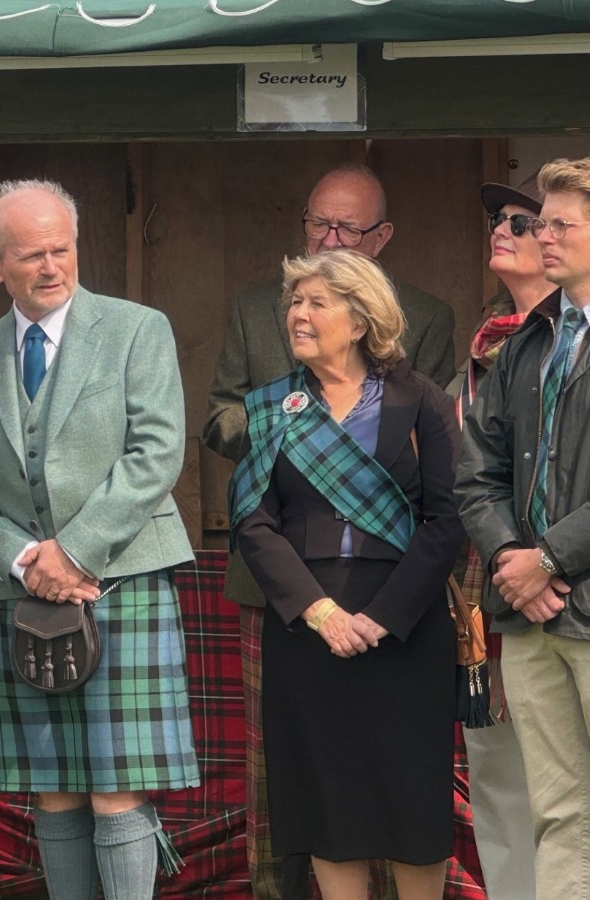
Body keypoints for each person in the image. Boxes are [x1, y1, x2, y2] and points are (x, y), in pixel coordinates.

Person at [0, 179, 200, 899]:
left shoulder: (136, 330)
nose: (51, 266)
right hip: (29, 596)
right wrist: (26, 560)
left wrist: (73, 550)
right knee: (50, 784)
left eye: (62, 250)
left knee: (118, 785)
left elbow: (157, 451)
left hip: (123, 577)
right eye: (31, 255)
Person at [203, 162, 456, 900]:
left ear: (363, 315)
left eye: (316, 303)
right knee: (325, 803)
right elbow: (252, 518)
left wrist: (380, 617)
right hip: (306, 625)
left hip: (402, 623)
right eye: (294, 304)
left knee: (409, 802)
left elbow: (446, 520)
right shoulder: (275, 405)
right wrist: (319, 612)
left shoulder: (424, 402)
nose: (297, 317)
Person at [457, 157, 590, 900]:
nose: (542, 236)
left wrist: (548, 559)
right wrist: (510, 560)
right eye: (540, 223)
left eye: (561, 224)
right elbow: (476, 470)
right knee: (555, 816)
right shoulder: (526, 340)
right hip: (529, 617)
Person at [454, 174, 551, 900]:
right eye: (498, 217)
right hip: (484, 596)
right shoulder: (485, 342)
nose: (504, 228)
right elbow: (470, 473)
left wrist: (544, 561)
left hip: (572, 591)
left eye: (522, 221)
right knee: (498, 780)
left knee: (583, 791)